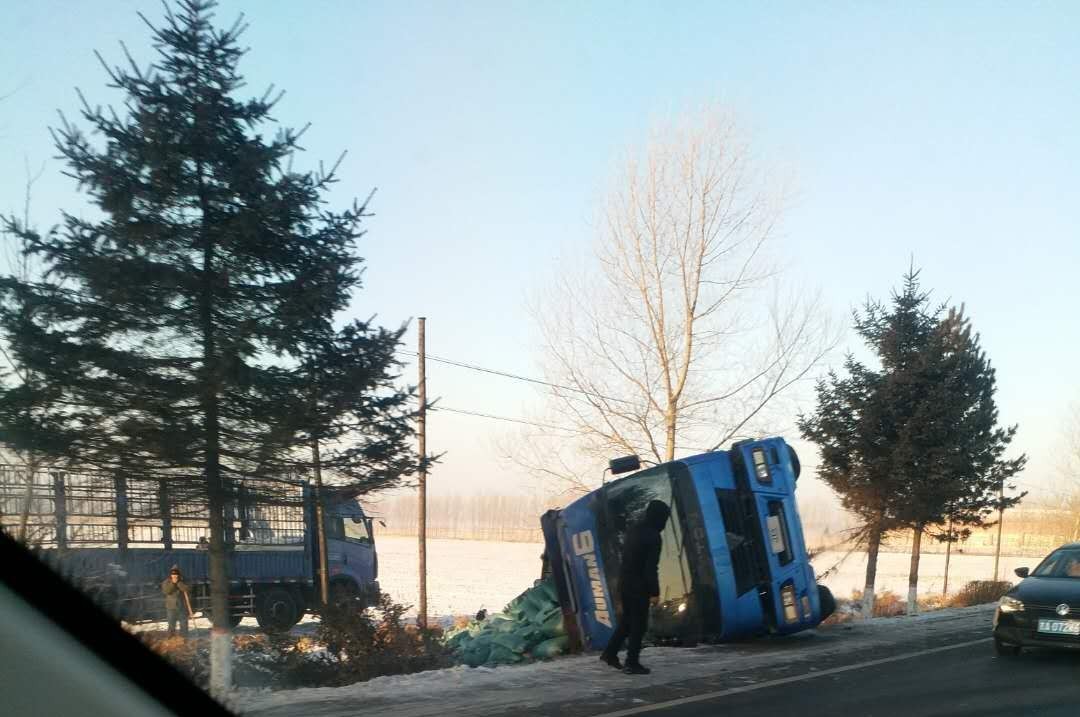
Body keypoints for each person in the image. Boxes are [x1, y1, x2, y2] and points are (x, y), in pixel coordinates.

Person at [600, 499, 670, 675]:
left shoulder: (634, 530)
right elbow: (650, 567)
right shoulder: (654, 536)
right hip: (639, 586)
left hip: (625, 583)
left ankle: (609, 653)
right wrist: (655, 592)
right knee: (639, 625)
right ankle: (632, 662)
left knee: (627, 622)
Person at [161, 565, 193, 637]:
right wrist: (173, 583)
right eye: (173, 574)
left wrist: (178, 583)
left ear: (179, 574)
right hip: (171, 607)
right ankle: (170, 639)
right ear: (170, 574)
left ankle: (184, 639)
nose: (174, 575)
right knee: (171, 624)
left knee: (184, 624)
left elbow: (187, 589)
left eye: (176, 574)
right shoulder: (166, 582)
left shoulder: (183, 581)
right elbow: (167, 591)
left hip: (182, 606)